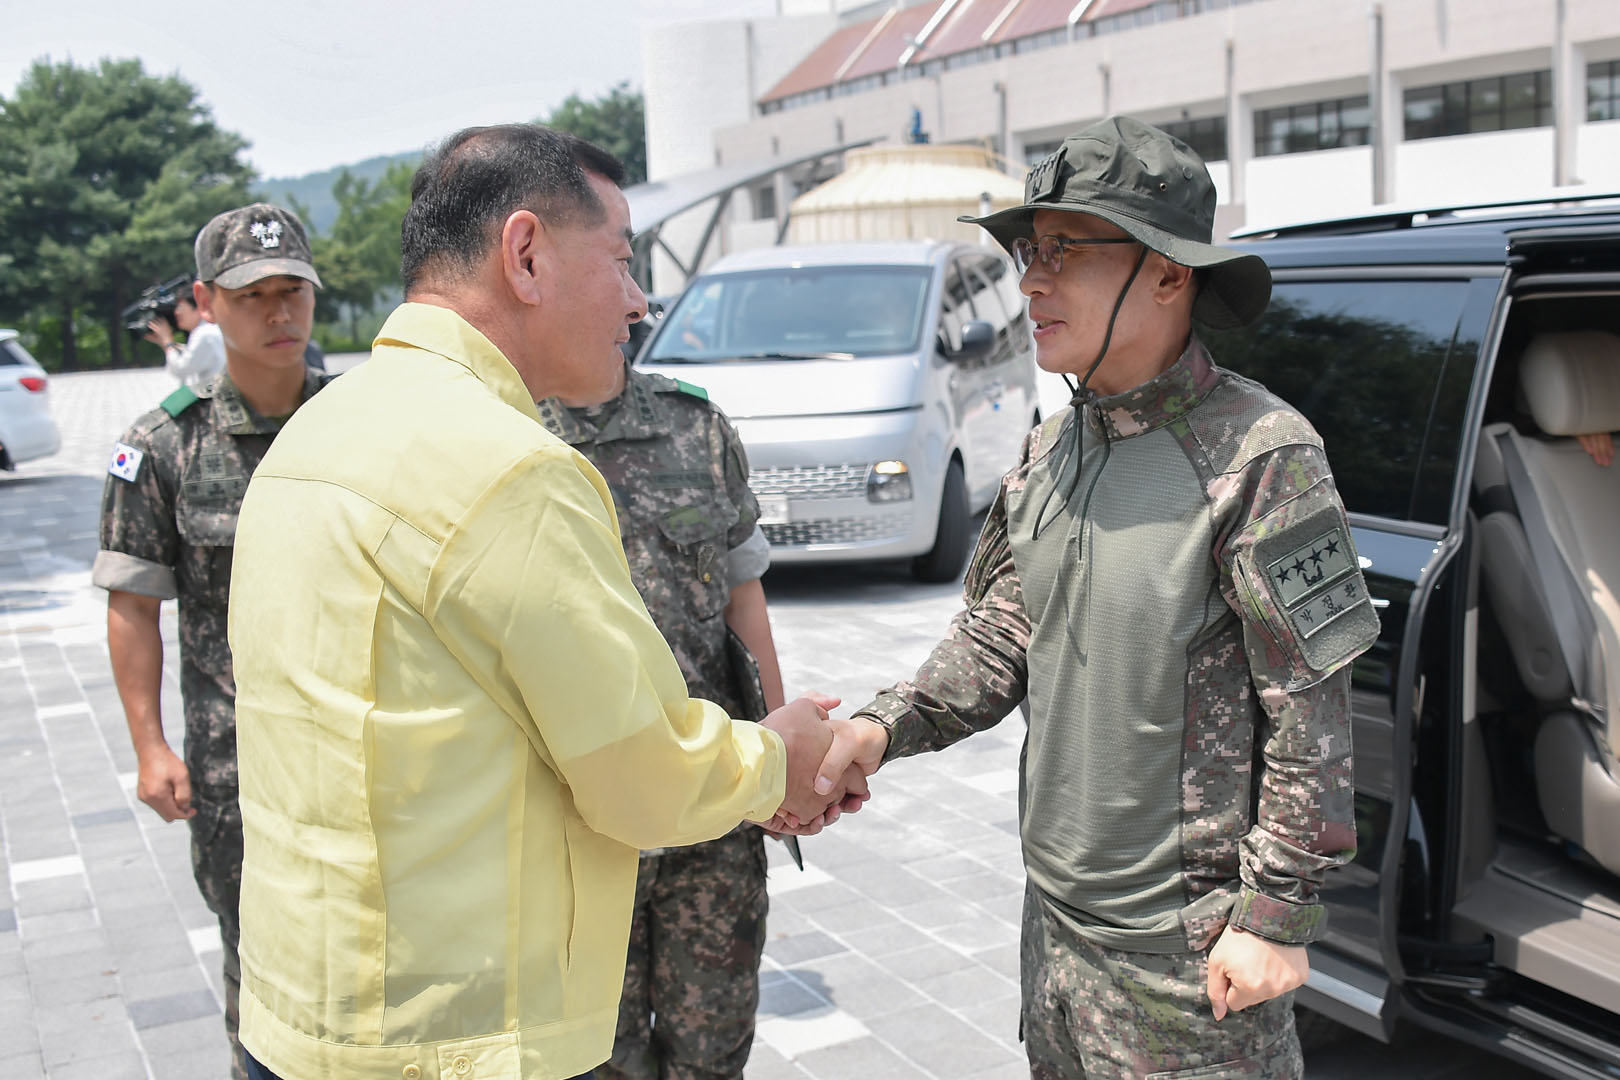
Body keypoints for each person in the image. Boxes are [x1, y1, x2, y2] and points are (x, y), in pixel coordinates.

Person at [225, 124, 865, 1080]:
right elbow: (640, 776)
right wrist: (779, 760)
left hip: (306, 1016)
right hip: (451, 1039)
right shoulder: (507, 467)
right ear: (526, 255)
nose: (639, 301)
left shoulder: (317, 432)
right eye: (621, 260)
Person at [810, 116, 1382, 1079]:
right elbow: (1004, 630)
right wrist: (881, 728)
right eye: (1030, 252)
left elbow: (1310, 713)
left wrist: (1276, 916)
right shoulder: (1052, 446)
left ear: (1168, 273)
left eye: (1065, 251)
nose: (1031, 282)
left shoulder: (1259, 456)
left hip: (1188, 966)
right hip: (1056, 937)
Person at [93, 202, 327, 1080]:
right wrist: (150, 746)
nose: (278, 312)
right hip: (243, 767)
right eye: (252, 294)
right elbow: (132, 604)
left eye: (292, 290)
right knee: (262, 978)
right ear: (205, 302)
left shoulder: (360, 423)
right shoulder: (164, 445)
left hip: (370, 755)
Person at [538, 363, 783, 1080]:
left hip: (711, 808)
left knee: (713, 1046)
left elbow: (743, 597)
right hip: (581, 825)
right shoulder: (507, 431)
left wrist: (780, 755)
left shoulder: (694, 427)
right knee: (596, 1058)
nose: (636, 309)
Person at [145, 286, 226, 391]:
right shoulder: (210, 329)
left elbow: (181, 369)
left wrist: (168, 343)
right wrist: (166, 344)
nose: (176, 312)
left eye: (180, 307)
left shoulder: (204, 334)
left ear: (198, 307)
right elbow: (192, 355)